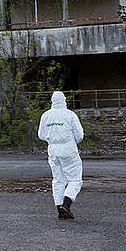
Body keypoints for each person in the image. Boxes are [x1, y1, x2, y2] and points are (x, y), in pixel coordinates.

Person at [38, 90, 84, 219]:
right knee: (75, 179)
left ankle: (60, 211)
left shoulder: (45, 115)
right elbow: (79, 135)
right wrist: (71, 141)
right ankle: (67, 204)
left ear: (52, 101)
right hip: (68, 149)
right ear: (64, 100)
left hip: (53, 150)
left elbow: (41, 135)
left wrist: (52, 139)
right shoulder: (70, 115)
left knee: (58, 180)